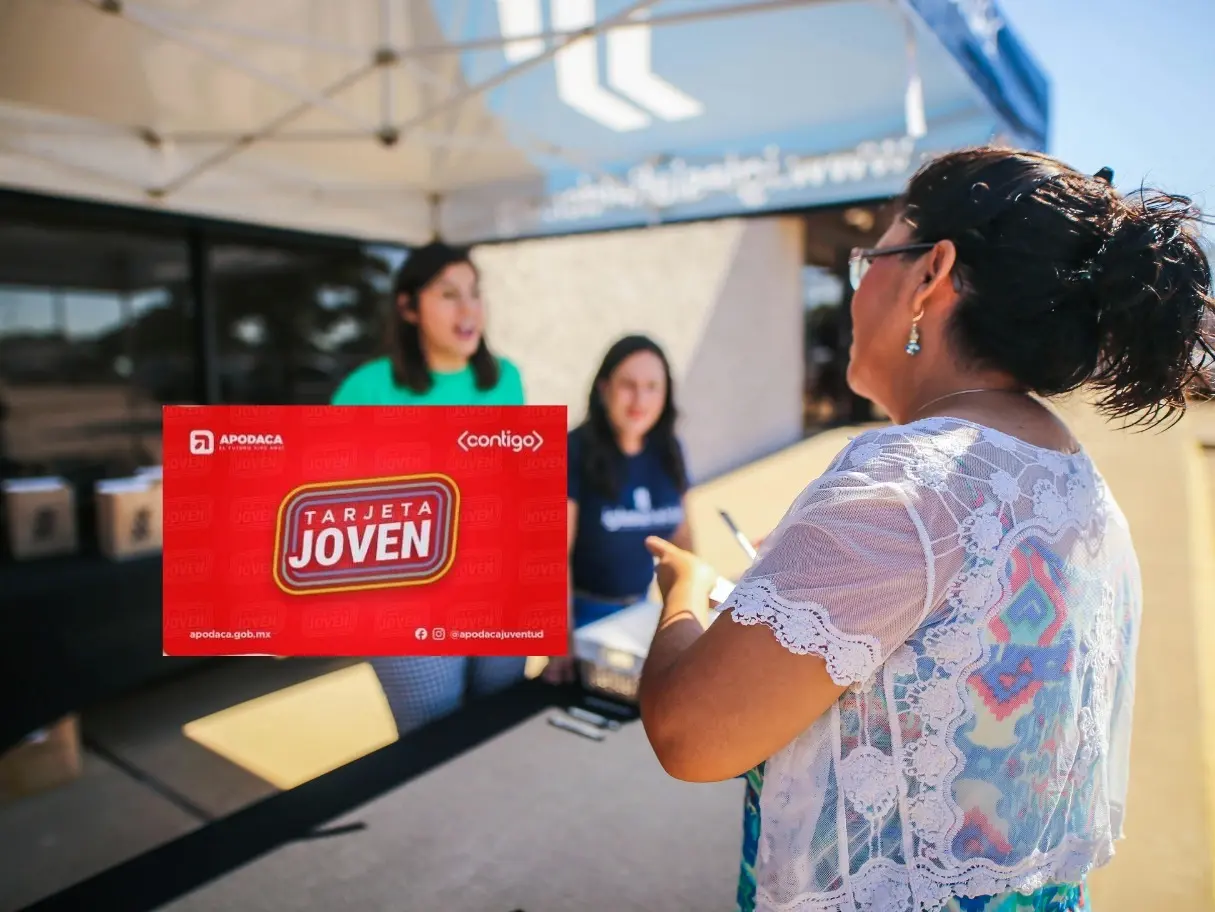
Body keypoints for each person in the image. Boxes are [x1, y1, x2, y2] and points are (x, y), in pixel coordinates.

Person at [636, 147, 1214, 912]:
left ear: (928, 274)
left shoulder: (904, 484)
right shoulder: (1072, 479)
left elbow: (691, 733)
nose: (853, 291)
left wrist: (684, 593)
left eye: (869, 258)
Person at [331, 241, 527, 733]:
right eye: (448, 294)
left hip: (496, 588)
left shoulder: (505, 380)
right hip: (405, 601)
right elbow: (327, 505)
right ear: (408, 307)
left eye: (474, 293)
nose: (468, 309)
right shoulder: (366, 389)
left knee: (497, 729)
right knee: (433, 744)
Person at [544, 335, 693, 684]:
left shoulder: (669, 451)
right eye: (628, 385)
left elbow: (685, 545)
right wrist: (562, 644)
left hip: (644, 618)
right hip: (584, 624)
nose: (640, 399)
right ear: (604, 388)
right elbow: (553, 559)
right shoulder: (572, 450)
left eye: (652, 386)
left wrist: (691, 621)